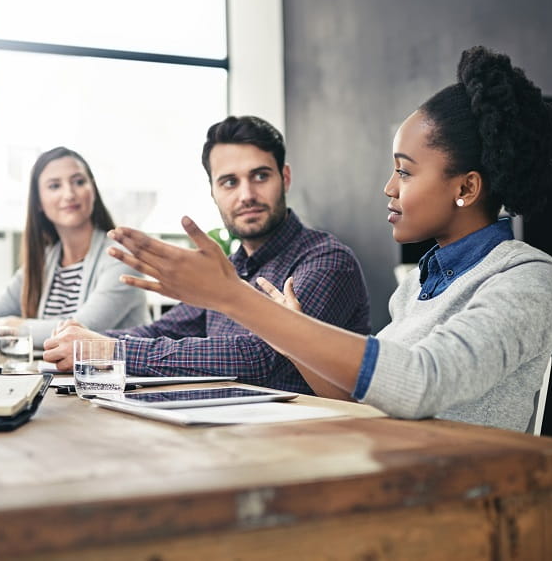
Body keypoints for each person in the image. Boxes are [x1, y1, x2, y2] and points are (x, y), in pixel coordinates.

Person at [106, 47, 552, 432]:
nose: (389, 187)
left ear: (466, 187)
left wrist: (237, 300)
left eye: (405, 172)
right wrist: (290, 333)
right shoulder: (416, 284)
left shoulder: (531, 278)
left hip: (457, 496)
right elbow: (355, 398)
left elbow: (420, 382)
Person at [42, 116, 371, 395]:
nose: (246, 195)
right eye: (229, 182)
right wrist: (83, 341)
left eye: (260, 176)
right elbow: (165, 329)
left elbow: (263, 359)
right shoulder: (231, 267)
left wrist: (110, 351)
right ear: (213, 191)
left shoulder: (327, 261)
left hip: (308, 438)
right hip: (227, 428)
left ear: (284, 178)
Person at [0, 146, 149, 349]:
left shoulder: (121, 257)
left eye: (79, 182)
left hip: (117, 370)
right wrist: (8, 327)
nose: (69, 194)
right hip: (54, 369)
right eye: (55, 186)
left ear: (93, 190)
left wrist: (13, 327)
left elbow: (82, 331)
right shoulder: (44, 261)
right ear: (39, 202)